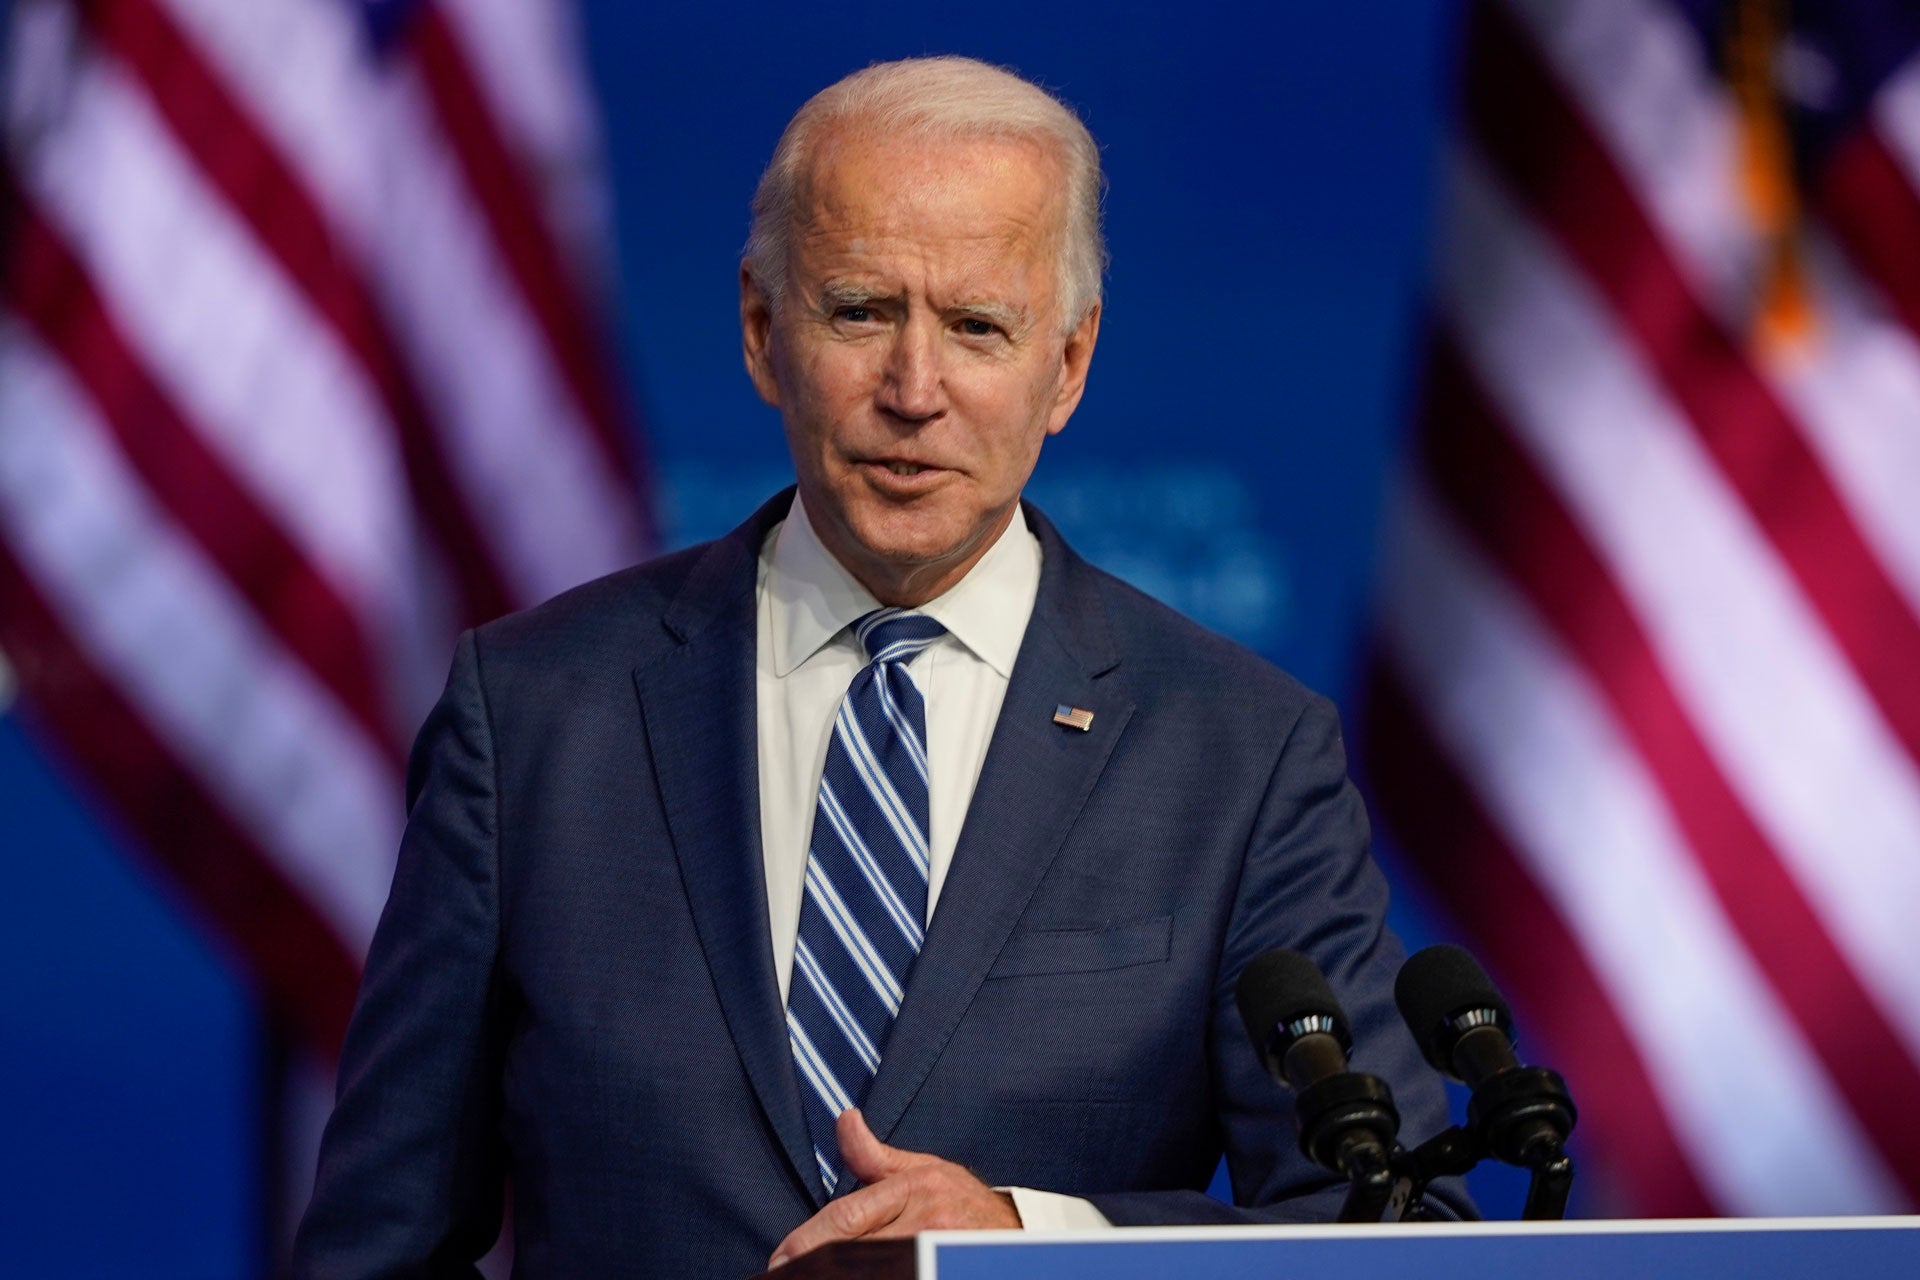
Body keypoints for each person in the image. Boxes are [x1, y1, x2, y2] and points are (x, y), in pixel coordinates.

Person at [294, 55, 1464, 1280]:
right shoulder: (534, 713)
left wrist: (1029, 1239)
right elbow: (377, 1247)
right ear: (762, 332)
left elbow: (1394, 1236)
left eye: (976, 326)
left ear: (1066, 364)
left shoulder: (1237, 753)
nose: (916, 389)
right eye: (860, 311)